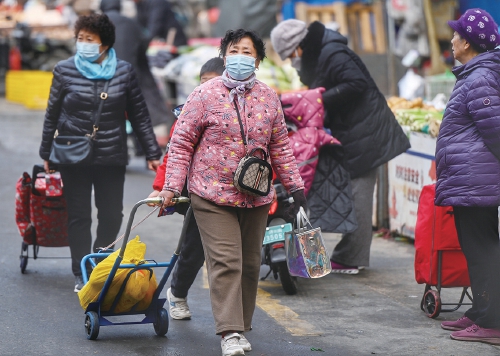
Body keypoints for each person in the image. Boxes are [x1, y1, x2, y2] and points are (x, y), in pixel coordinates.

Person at [157, 29, 307, 356]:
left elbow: (280, 145)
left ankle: (241, 326)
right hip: (211, 193)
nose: (241, 56)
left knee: (251, 264)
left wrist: (295, 186)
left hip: (256, 193)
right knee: (226, 261)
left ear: (258, 59)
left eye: (247, 51)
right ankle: (230, 332)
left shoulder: (269, 97)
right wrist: (170, 186)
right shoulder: (204, 94)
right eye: (234, 50)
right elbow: (181, 143)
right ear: (225, 55)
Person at [270, 19, 410, 274]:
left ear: (298, 46)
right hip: (352, 132)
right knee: (346, 193)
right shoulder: (322, 52)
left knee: (359, 196)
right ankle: (334, 255)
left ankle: (349, 258)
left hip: (366, 134)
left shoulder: (332, 53)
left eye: (291, 55)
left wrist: (319, 99)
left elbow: (356, 84)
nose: (292, 61)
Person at [39, 13, 162, 292]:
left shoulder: (124, 71)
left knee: (112, 214)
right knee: (79, 215)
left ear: (104, 43)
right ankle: (81, 270)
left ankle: (99, 261)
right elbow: (52, 114)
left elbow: (140, 115)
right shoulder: (64, 70)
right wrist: (46, 151)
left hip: (111, 155)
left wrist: (153, 153)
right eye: (80, 38)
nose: (83, 43)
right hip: (73, 154)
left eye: (89, 39)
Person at [434, 8, 500, 345]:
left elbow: (495, 130)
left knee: (483, 248)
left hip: (478, 180)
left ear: (469, 43)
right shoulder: (474, 74)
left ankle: (494, 322)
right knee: (476, 249)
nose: (452, 40)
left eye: (457, 35)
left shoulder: (480, 78)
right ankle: (481, 312)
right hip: (470, 179)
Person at [148, 57, 225, 320]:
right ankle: (177, 294)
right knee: (195, 248)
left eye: (215, 82)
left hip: (234, 193)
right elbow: (173, 154)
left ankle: (233, 312)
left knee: (233, 256)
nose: (208, 88)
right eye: (204, 82)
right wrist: (161, 188)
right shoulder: (188, 113)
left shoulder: (243, 111)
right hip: (198, 194)